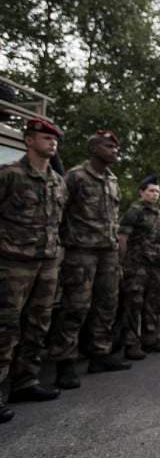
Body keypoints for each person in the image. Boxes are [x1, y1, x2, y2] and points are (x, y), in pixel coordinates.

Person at [49, 130, 131, 390]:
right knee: (76, 307)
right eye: (109, 146)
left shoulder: (113, 180)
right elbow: (58, 210)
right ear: (94, 149)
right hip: (80, 251)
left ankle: (99, 354)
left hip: (107, 252)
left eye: (115, 147)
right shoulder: (75, 176)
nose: (114, 150)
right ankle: (65, 363)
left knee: (107, 303)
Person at [0, 119, 65, 424]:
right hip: (13, 263)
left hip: (47, 263)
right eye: (45, 138)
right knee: (5, 328)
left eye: (55, 140)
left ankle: (25, 382)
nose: (52, 143)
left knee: (38, 324)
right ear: (28, 140)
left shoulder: (57, 181)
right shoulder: (10, 175)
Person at [118, 175, 160, 360]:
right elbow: (122, 237)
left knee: (154, 304)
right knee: (134, 305)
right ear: (142, 192)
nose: (155, 194)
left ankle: (151, 340)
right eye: (151, 190)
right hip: (137, 265)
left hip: (155, 266)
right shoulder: (134, 211)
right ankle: (131, 345)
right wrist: (123, 263)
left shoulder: (159, 214)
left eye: (157, 191)